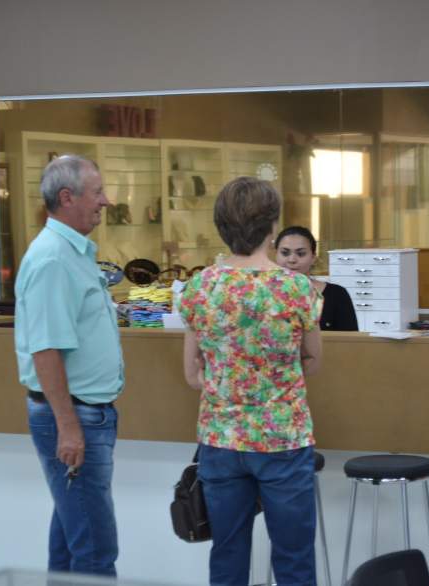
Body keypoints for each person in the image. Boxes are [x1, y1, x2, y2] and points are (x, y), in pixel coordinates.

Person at [180, 177, 323, 586]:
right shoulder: (296, 287)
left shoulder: (200, 287)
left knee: (227, 553)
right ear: (272, 227)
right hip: (282, 438)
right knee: (293, 559)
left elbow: (192, 374)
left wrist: (227, 378)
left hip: (220, 440)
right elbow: (312, 360)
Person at [14, 155, 122, 576]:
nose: (105, 201)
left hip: (87, 414)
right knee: (95, 551)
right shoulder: (53, 259)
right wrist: (69, 427)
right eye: (97, 192)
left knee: (71, 545)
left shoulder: (72, 252)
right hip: (74, 417)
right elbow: (46, 351)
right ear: (66, 197)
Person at [275, 225, 358, 331]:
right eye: (285, 253)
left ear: (313, 257)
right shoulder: (263, 293)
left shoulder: (337, 295)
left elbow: (349, 342)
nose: (292, 260)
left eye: (301, 254)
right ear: (276, 255)